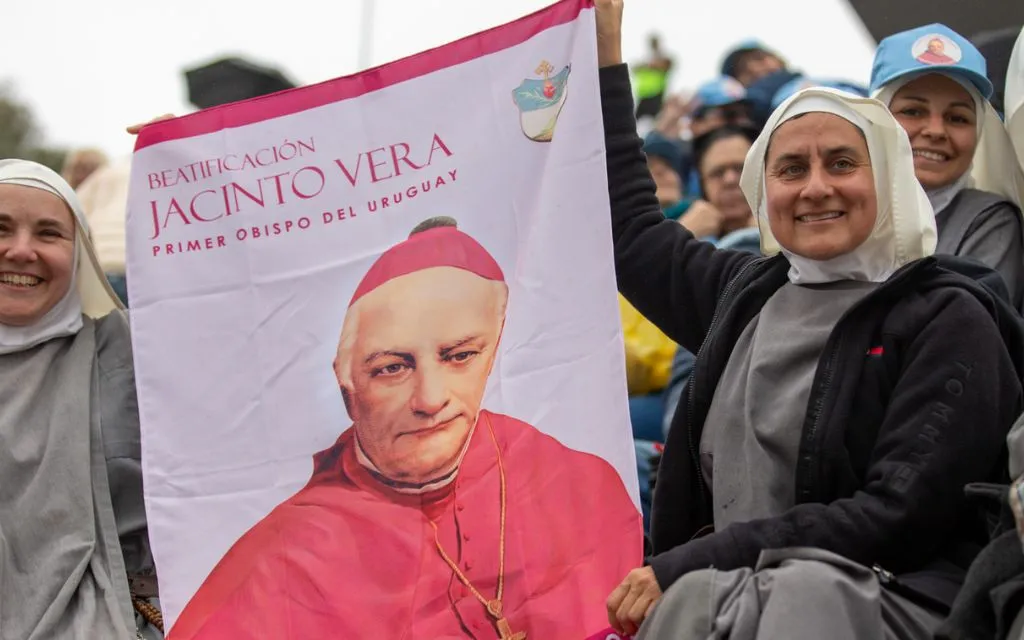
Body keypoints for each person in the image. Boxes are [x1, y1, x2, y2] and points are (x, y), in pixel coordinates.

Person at [594, 1, 1024, 637]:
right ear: (764, 193)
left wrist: (693, 561)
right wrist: (605, 55)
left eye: (843, 164)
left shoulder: (950, 315)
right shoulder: (741, 295)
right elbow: (630, 229)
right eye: (790, 169)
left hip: (887, 604)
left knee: (798, 591)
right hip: (728, 595)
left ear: (888, 180)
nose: (816, 187)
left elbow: (896, 516)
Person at [167, 217, 641, 640]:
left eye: (460, 357)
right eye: (392, 368)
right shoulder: (281, 558)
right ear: (345, 381)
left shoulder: (574, 479)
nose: (430, 400)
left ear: (493, 354)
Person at [0, 159, 161, 639]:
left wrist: (193, 166)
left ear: (80, 254)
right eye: (1, 228)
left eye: (49, 233)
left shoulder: (136, 352)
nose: (22, 251)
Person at [871, 23, 1024, 310]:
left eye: (957, 118)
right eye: (913, 111)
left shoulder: (987, 223)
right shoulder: (836, 211)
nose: (936, 131)